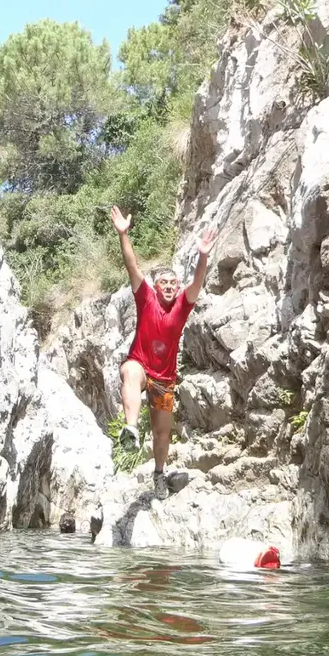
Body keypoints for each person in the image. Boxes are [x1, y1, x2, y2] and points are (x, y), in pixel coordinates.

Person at [110, 204, 217, 499]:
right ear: (155, 288)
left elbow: (197, 282)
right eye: (164, 283)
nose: (169, 287)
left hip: (165, 377)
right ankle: (130, 429)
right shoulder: (145, 299)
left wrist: (204, 255)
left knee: (162, 432)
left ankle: (159, 474)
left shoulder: (183, 306)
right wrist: (123, 235)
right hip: (142, 365)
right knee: (130, 371)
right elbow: (132, 266)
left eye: (173, 283)